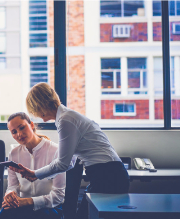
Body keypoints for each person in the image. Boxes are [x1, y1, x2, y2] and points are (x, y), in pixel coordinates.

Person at [10, 82, 129, 218]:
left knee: (85, 215)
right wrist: (42, 176)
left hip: (108, 175)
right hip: (108, 173)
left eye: (34, 110)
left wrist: (35, 174)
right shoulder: (67, 117)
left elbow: (63, 164)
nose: (35, 115)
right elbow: (71, 162)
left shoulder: (66, 120)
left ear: (40, 105)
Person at [1, 112, 65, 219]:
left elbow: (58, 196)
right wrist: (10, 194)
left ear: (31, 125)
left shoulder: (56, 151)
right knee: (4, 213)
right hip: (22, 205)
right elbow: (13, 186)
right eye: (14, 132)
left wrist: (27, 201)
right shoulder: (13, 153)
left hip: (50, 207)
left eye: (22, 128)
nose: (19, 134)